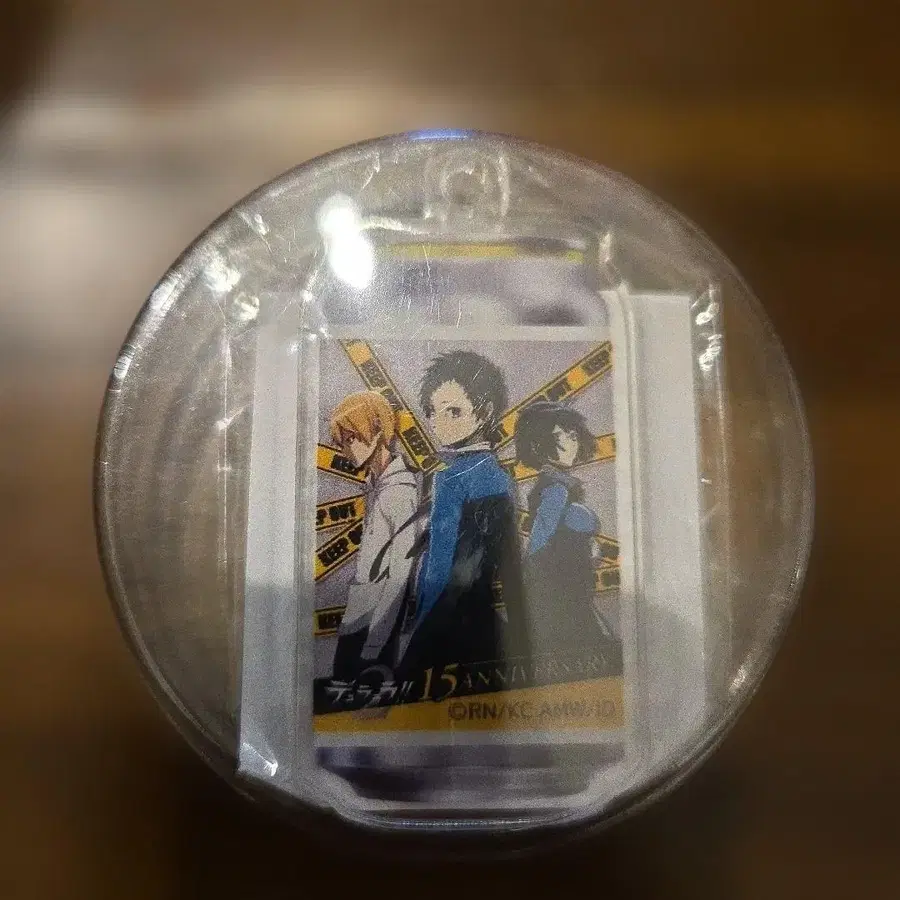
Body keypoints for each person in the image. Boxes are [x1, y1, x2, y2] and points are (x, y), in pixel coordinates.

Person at [399, 350, 527, 676]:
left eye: (453, 412)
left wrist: (424, 620)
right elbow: (510, 565)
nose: (439, 423)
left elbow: (444, 565)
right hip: (470, 617)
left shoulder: (464, 479)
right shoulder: (491, 477)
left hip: (449, 617)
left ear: (484, 413)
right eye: (432, 412)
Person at [515, 401, 617, 656]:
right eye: (562, 436)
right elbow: (540, 541)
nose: (572, 443)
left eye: (574, 436)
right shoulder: (555, 488)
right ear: (537, 444)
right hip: (560, 591)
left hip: (571, 587)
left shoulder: (561, 486)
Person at [328, 391, 419, 680]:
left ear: (378, 429)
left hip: (377, 623)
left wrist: (376, 641)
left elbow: (401, 573)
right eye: (341, 443)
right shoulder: (375, 486)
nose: (346, 450)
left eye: (350, 439)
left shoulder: (400, 492)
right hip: (359, 614)